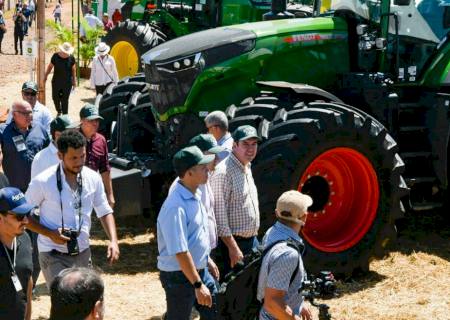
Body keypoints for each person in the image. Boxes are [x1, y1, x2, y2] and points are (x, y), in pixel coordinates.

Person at [25, 130, 120, 289]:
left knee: (84, 305)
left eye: (82, 156)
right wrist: (49, 233)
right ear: (60, 156)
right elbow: (22, 215)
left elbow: (104, 210)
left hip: (82, 252)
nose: (79, 162)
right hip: (52, 253)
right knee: (65, 304)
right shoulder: (42, 181)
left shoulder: (92, 178)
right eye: (73, 158)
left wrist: (114, 241)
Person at [158, 146, 218, 320]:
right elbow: (180, 251)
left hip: (198, 272)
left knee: (216, 312)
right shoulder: (175, 206)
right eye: (202, 167)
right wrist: (198, 285)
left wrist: (207, 259)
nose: (207, 169)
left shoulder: (195, 195)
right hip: (179, 277)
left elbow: (197, 234)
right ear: (189, 173)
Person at [210, 125, 260, 277]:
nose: (250, 149)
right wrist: (233, 248)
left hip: (252, 242)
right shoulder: (223, 172)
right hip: (232, 246)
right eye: (245, 144)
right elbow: (219, 216)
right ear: (234, 145)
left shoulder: (247, 166)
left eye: (254, 144)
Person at [168, 134, 224, 266]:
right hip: (197, 256)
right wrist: (205, 257)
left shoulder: (205, 178)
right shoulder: (183, 187)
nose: (217, 158)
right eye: (212, 154)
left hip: (207, 251)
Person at [257, 190, 313, 320]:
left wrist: (299, 304)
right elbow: (272, 303)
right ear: (304, 217)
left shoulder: (271, 233)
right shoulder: (288, 254)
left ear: (277, 213)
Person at [0, 187, 35, 320]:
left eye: (27, 214)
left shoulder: (25, 238)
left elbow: (28, 280)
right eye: (19, 216)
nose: (26, 221)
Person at [0, 100, 50, 192]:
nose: (29, 116)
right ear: (14, 115)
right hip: (13, 188)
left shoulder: (40, 129)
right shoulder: (3, 132)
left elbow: (48, 152)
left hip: (37, 186)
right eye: (25, 113)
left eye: (30, 112)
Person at [78, 104, 115, 208]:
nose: (95, 124)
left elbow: (105, 169)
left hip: (91, 191)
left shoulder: (101, 140)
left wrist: (110, 194)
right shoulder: (73, 138)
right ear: (82, 121)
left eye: (97, 120)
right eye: (91, 120)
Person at [31, 115, 73, 179]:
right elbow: (36, 187)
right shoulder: (40, 159)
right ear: (57, 135)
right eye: (70, 133)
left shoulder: (76, 153)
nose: (74, 136)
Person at [44, 42, 76, 115]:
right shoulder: (55, 56)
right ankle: (59, 110)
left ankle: (65, 115)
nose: (66, 53)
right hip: (56, 81)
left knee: (65, 100)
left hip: (67, 82)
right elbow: (50, 67)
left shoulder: (71, 58)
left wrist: (74, 81)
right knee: (55, 98)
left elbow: (73, 70)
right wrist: (46, 75)